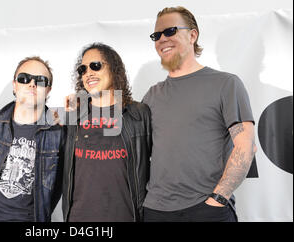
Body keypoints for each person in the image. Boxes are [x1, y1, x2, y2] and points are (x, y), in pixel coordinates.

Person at [142, 6, 257, 222]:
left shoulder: (226, 84)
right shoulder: (152, 94)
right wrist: (80, 105)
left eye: (170, 31)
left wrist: (218, 199)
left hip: (206, 210)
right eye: (156, 35)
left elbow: (245, 145)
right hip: (155, 212)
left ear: (192, 35)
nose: (162, 39)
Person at [62, 43, 152, 222]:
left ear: (114, 69)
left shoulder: (139, 114)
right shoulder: (74, 117)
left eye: (95, 65)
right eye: (83, 69)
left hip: (126, 216)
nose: (88, 73)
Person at [0, 56, 65, 222]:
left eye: (40, 80)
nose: (32, 84)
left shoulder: (58, 135)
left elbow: (58, 188)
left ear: (48, 90)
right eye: (24, 78)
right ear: (15, 85)